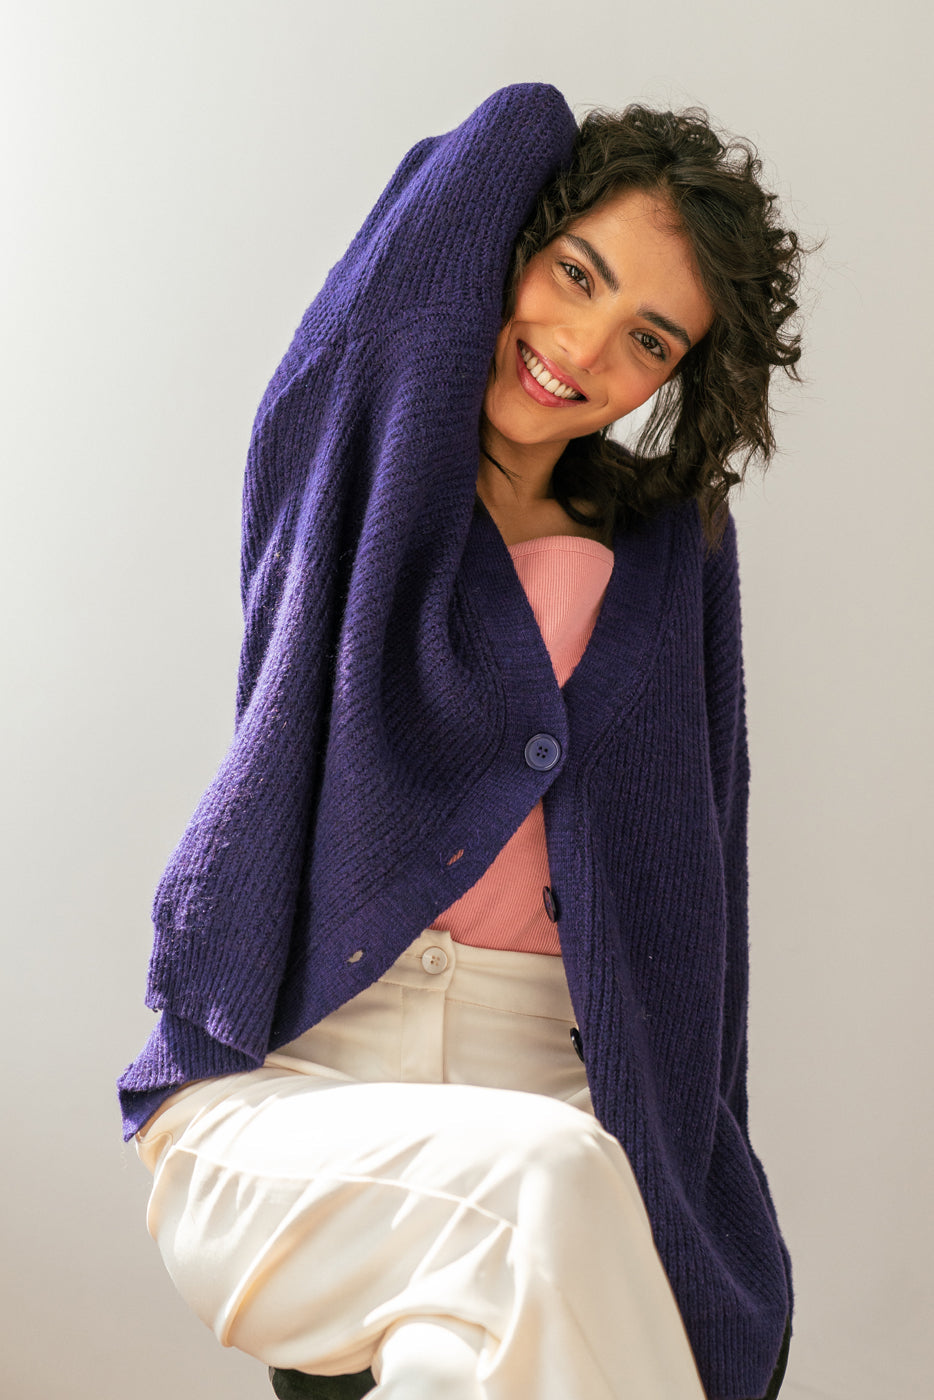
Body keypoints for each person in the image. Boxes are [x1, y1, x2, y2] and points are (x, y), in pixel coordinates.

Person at [118, 82, 804, 1400]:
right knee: (550, 1186)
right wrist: (555, 140)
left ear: (675, 380)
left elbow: (699, 875)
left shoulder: (672, 555)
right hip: (292, 1092)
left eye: (647, 339)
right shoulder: (355, 463)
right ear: (518, 238)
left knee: (471, 1348)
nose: (582, 346)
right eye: (574, 272)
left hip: (558, 1089)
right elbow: (491, 154)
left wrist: (703, 1153)